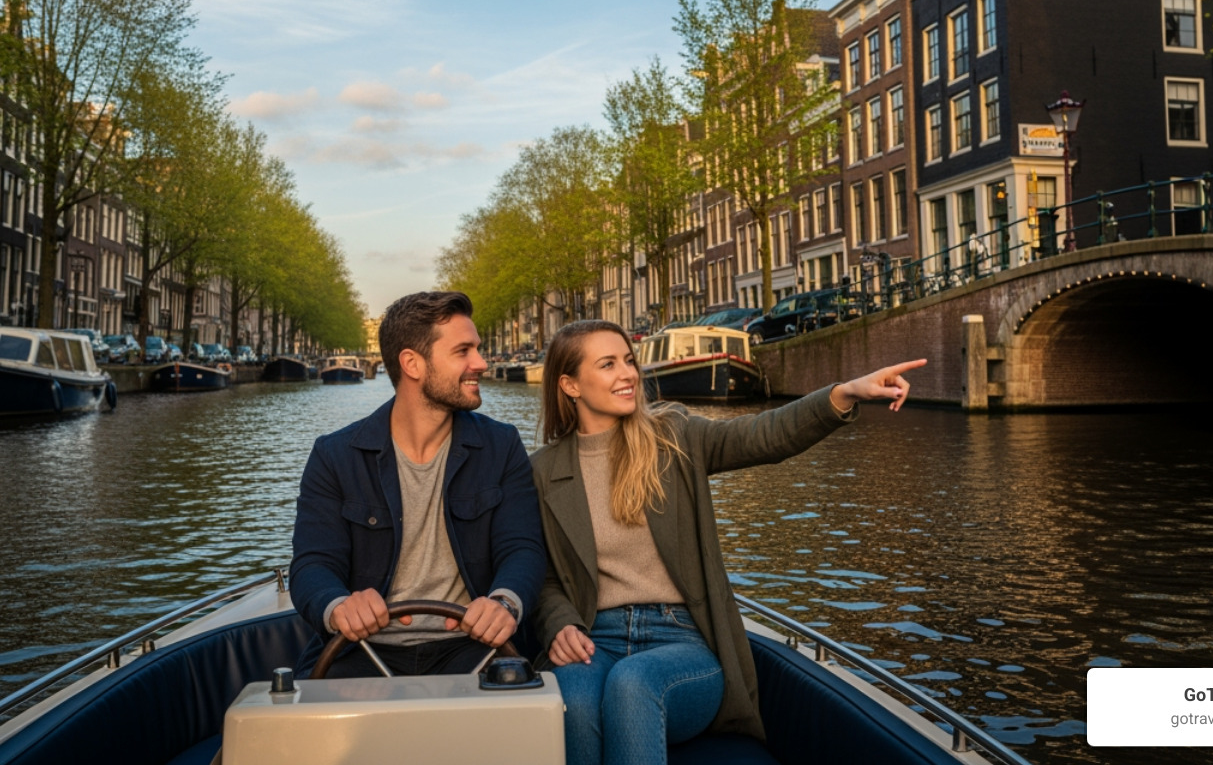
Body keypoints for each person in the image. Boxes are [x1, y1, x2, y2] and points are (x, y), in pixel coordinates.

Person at [531, 318, 924, 765]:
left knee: (633, 683)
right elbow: (542, 576)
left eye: (628, 360)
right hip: (593, 636)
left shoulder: (674, 437)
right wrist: (560, 623)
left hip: (679, 638)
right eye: (607, 364)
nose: (628, 374)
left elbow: (764, 436)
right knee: (574, 702)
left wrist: (846, 393)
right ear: (570, 384)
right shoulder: (542, 471)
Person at [290, 290, 545, 678]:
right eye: (463, 351)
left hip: (469, 647)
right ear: (412, 363)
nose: (481, 362)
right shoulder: (334, 456)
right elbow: (313, 564)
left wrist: (503, 604)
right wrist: (339, 605)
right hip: (363, 648)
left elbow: (522, 548)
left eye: (477, 348)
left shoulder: (502, 445)